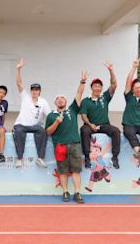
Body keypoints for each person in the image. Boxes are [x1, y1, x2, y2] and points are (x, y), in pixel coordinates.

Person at [45, 70, 87, 204]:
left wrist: (82, 82)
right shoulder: (51, 115)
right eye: (57, 98)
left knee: (76, 170)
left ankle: (78, 192)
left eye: (62, 97)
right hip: (60, 146)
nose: (60, 99)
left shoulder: (72, 110)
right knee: (62, 171)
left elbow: (79, 94)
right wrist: (56, 122)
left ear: (66, 100)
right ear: (55, 102)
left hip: (75, 144)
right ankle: (65, 192)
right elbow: (48, 132)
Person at [79, 62, 120, 169]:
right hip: (90, 125)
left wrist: (111, 71)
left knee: (116, 131)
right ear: (91, 87)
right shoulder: (85, 101)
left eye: (99, 86)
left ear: (101, 88)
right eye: (95, 86)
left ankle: (115, 157)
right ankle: (87, 157)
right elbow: (83, 115)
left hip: (104, 125)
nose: (97, 88)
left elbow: (114, 85)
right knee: (84, 130)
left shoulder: (105, 97)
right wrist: (90, 124)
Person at [13, 59, 51, 169]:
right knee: (19, 131)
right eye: (33, 89)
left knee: (43, 131)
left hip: (34, 126)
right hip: (21, 125)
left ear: (40, 91)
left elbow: (49, 115)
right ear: (30, 91)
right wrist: (18, 69)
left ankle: (40, 158)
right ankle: (20, 159)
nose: (34, 91)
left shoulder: (43, 101)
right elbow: (19, 84)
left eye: (37, 90)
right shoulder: (25, 97)